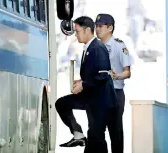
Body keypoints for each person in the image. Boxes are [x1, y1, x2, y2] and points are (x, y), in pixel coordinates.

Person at [55, 16, 118, 153]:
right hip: (91, 97)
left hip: (101, 100)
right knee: (62, 104)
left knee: (97, 138)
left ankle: (83, 139)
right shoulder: (89, 48)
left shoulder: (98, 47)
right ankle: (78, 134)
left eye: (77, 31)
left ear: (87, 30)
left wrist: (84, 84)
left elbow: (102, 76)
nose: (75, 35)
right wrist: (81, 82)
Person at [95, 14, 131, 153]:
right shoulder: (94, 46)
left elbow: (127, 72)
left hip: (114, 93)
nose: (97, 29)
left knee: (115, 131)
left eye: (101, 26)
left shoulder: (118, 45)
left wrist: (117, 76)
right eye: (96, 26)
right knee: (96, 131)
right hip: (98, 94)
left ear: (110, 28)